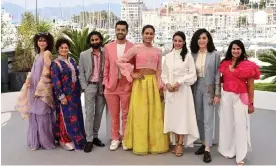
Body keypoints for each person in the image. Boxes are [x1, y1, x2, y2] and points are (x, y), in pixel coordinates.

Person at [116, 25, 169, 155]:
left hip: (153, 84)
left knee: (154, 113)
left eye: (151, 33)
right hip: (140, 84)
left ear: (154, 35)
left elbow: (159, 70)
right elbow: (120, 61)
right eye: (146, 33)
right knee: (140, 113)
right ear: (142, 34)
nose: (148, 36)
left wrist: (160, 86)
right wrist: (133, 74)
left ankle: (153, 145)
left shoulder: (158, 51)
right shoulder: (136, 48)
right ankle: (140, 144)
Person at [218, 40, 260, 166]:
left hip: (241, 98)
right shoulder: (225, 64)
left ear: (242, 50)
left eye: (238, 49)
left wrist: (251, 103)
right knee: (227, 124)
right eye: (233, 48)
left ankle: (240, 155)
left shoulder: (248, 65)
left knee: (240, 125)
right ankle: (229, 150)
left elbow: (251, 86)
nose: (236, 51)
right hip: (226, 97)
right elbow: (221, 80)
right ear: (230, 49)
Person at [15, 32, 56, 150]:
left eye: (44, 40)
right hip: (33, 88)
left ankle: (45, 141)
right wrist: (28, 82)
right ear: (36, 42)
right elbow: (33, 72)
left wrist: (40, 88)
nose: (41, 42)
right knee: (35, 114)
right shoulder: (38, 55)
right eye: (39, 40)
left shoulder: (47, 53)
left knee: (43, 115)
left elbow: (46, 71)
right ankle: (36, 141)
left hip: (42, 89)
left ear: (48, 43)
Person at [162, 31, 199, 157]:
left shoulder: (187, 56)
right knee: (174, 117)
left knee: (182, 117)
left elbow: (193, 74)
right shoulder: (168, 56)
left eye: (180, 41)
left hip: (183, 91)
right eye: (175, 40)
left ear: (184, 42)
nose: (177, 43)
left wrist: (180, 82)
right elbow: (164, 74)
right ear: (172, 41)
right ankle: (175, 141)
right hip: (171, 91)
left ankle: (180, 144)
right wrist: (167, 84)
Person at [190, 28, 221, 163]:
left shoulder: (214, 54)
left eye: (204, 38)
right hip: (196, 87)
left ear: (208, 39)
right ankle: (203, 143)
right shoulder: (193, 55)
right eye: (199, 38)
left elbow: (217, 75)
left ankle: (208, 149)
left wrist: (217, 93)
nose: (201, 40)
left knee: (208, 118)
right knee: (199, 117)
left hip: (209, 88)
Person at [50, 38, 87, 151]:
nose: (64, 49)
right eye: (62, 47)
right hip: (64, 95)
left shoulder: (72, 61)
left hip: (75, 94)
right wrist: (61, 96)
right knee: (66, 117)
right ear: (58, 49)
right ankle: (64, 139)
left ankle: (79, 139)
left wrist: (80, 89)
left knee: (77, 116)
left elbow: (77, 75)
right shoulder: (55, 64)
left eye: (66, 47)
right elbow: (55, 81)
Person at [103, 21, 134, 151]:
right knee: (114, 114)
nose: (120, 32)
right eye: (118, 29)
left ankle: (126, 138)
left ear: (127, 31)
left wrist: (131, 81)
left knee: (126, 114)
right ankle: (115, 138)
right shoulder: (108, 47)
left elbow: (135, 66)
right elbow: (106, 66)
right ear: (115, 30)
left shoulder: (132, 47)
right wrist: (106, 82)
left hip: (126, 85)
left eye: (123, 30)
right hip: (111, 86)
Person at [79, 31, 106, 153]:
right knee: (89, 113)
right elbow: (81, 72)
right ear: (90, 42)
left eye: (97, 39)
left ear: (100, 40)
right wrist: (84, 87)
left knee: (99, 113)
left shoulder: (106, 53)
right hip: (90, 86)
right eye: (92, 40)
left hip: (102, 87)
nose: (95, 41)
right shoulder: (83, 54)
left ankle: (95, 136)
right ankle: (89, 140)